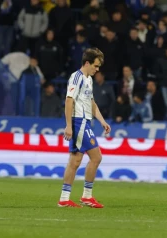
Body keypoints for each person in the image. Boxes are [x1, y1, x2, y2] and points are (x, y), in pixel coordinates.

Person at [58, 48, 111, 208]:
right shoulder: (77, 77)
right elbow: (69, 100)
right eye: (95, 66)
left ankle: (64, 199)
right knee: (96, 157)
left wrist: (102, 121)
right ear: (87, 63)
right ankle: (86, 196)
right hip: (78, 121)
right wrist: (68, 125)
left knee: (75, 161)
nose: (97, 69)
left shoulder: (88, 80)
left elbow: (92, 103)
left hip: (84, 122)